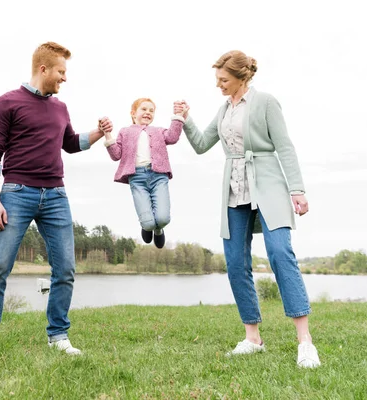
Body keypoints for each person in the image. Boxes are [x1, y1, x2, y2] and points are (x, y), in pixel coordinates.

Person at [174, 50, 321, 368]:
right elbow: (201, 144)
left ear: (242, 78)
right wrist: (185, 119)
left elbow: (284, 146)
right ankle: (252, 337)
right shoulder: (223, 109)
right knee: (235, 262)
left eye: (223, 80)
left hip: (269, 187)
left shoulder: (266, 102)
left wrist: (297, 189)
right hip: (233, 192)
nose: (219, 86)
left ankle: (305, 342)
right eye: (217, 80)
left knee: (281, 253)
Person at [0, 42, 113, 358]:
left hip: (56, 196)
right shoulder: (7, 103)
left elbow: (71, 143)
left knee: (65, 269)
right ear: (44, 69)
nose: (65, 78)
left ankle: (58, 336)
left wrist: (99, 133)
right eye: (61, 72)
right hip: (16, 194)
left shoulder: (60, 108)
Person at [102, 98, 185, 248]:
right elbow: (116, 155)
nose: (148, 112)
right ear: (133, 113)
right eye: (144, 109)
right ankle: (147, 226)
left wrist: (178, 116)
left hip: (159, 176)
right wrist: (108, 135)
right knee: (147, 223)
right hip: (137, 179)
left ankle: (159, 229)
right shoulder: (125, 132)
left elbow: (172, 137)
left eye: (151, 110)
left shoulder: (158, 131)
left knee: (163, 218)